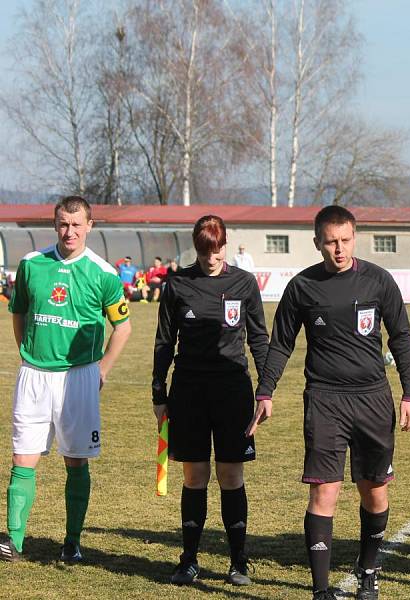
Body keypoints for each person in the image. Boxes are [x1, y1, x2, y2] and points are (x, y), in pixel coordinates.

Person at [262, 205, 410, 600]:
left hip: (373, 401)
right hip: (324, 401)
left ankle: (368, 570)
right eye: (331, 241)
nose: (339, 249)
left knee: (375, 491)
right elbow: (281, 343)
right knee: (324, 493)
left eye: (346, 240)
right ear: (317, 243)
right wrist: (265, 391)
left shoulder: (379, 281)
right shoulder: (302, 287)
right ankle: (320, 590)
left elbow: (401, 338)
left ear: (355, 237)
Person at [0, 196, 132, 562]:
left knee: (75, 461)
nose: (69, 231)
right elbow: (19, 313)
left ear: (90, 226)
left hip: (79, 378)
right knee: (22, 457)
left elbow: (123, 327)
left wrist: (102, 370)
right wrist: (29, 354)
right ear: (54, 224)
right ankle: (14, 539)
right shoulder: (31, 265)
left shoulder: (103, 273)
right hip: (34, 375)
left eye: (76, 224)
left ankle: (72, 541)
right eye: (62, 224)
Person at [152, 215, 270, 587]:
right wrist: (159, 393)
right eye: (204, 251)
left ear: (225, 245)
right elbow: (163, 343)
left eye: (216, 250)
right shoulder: (178, 284)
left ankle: (238, 561)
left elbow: (259, 340)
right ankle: (188, 560)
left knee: (231, 474)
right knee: (195, 476)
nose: (211, 257)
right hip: (188, 391)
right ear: (197, 248)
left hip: (232, 391)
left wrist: (265, 391)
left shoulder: (243, 283)